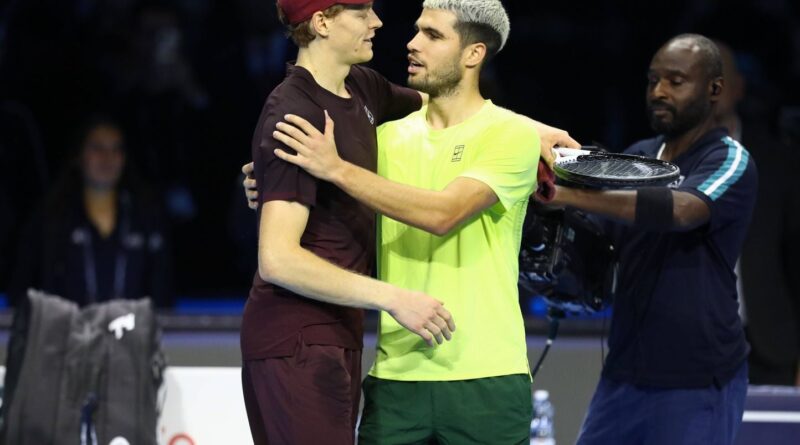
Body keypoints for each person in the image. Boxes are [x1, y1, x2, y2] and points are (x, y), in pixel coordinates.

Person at [262, 1, 574, 443]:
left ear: (473, 54)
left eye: (432, 35)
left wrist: (337, 169)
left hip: (487, 379)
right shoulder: (383, 138)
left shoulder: (511, 135)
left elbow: (443, 213)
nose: (411, 43)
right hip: (394, 381)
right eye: (416, 31)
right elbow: (304, 185)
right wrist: (266, 178)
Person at [241, 1, 458, 444]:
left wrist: (536, 133)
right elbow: (278, 259)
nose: (377, 22)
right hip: (296, 338)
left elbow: (458, 111)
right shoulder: (292, 112)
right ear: (321, 23)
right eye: (360, 13)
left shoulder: (362, 86)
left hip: (336, 333)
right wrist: (394, 298)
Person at [548, 34, 756, 445]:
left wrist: (568, 193)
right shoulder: (639, 155)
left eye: (675, 82)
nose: (659, 92)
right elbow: (597, 231)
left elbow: (683, 210)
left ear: (713, 89)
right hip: (623, 375)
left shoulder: (728, 158)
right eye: (653, 81)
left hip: (698, 380)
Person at [9, 115, 172, 308]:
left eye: (116, 149)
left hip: (132, 333)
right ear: (78, 156)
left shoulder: (146, 217)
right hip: (67, 334)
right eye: (97, 148)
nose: (107, 158)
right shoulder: (51, 217)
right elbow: (22, 288)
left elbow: (164, 292)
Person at [714, 40, 800, 387]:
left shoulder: (778, 162)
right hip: (686, 354)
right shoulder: (660, 162)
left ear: (738, 88)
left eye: (717, 78)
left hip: (771, 345)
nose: (709, 89)